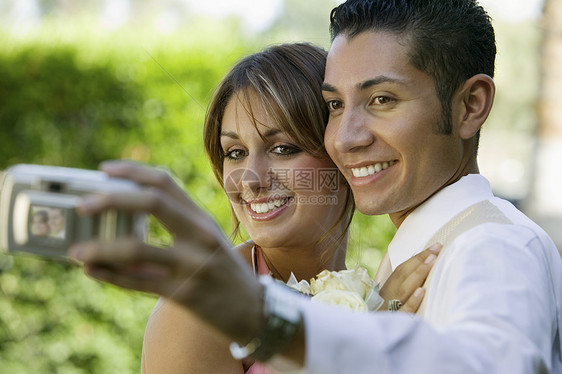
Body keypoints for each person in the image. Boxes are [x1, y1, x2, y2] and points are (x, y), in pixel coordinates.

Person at [69, 0, 562, 372]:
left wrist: (277, 320)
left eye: (383, 99)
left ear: (471, 105)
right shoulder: (412, 259)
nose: (348, 137)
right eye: (336, 106)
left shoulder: (492, 246)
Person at [109, 44, 438, 374]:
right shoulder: (197, 309)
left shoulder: (382, 285)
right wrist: (366, 349)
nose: (251, 180)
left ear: (341, 151)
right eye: (235, 152)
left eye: (282, 149)